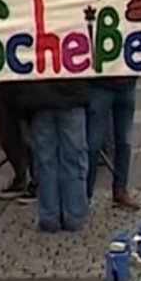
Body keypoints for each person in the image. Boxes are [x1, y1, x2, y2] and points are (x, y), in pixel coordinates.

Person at [22, 79, 92, 233]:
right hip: (72, 95)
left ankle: (49, 217)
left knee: (45, 162)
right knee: (73, 160)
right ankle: (73, 216)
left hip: (41, 99)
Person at [86, 75, 141, 210]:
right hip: (101, 85)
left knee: (124, 141)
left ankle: (120, 189)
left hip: (125, 84)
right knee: (93, 143)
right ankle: (86, 194)